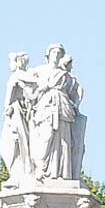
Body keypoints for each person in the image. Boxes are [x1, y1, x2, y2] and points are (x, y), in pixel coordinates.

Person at [28, 44, 77, 180]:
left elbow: (77, 91)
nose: (56, 54)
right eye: (53, 52)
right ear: (47, 56)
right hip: (46, 107)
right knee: (46, 137)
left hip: (62, 106)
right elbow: (27, 85)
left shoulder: (66, 75)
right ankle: (42, 169)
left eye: (59, 52)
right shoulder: (39, 71)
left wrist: (76, 104)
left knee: (62, 139)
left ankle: (60, 172)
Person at [0, 52, 36, 187]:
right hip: (16, 113)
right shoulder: (24, 76)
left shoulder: (18, 76)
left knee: (9, 145)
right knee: (14, 145)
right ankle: (17, 174)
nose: (10, 65)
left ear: (18, 62)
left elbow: (10, 96)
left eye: (12, 61)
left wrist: (8, 107)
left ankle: (18, 175)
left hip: (15, 114)